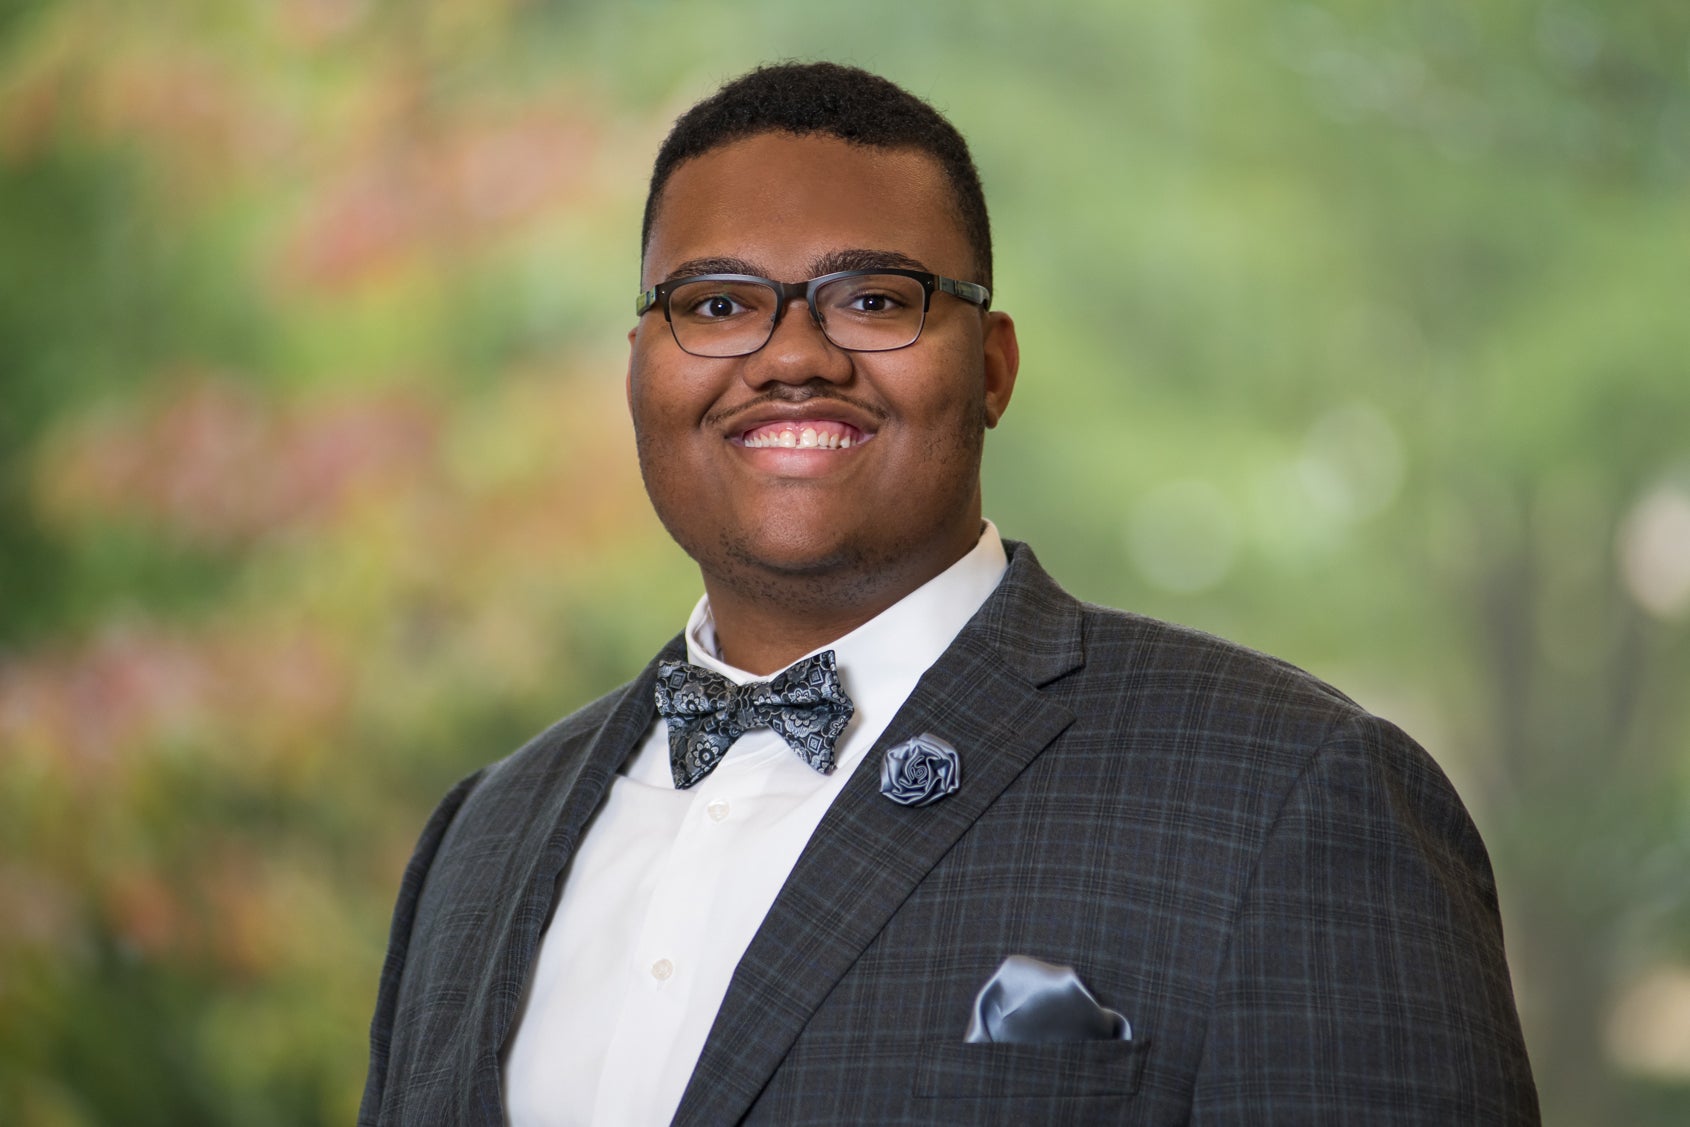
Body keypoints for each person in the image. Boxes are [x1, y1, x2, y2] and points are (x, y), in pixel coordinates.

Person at [361, 62, 1538, 1125]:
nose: (791, 355)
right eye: (716, 303)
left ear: (992, 367)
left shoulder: (1288, 792)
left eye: (873, 299)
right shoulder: (481, 837)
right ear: (640, 371)